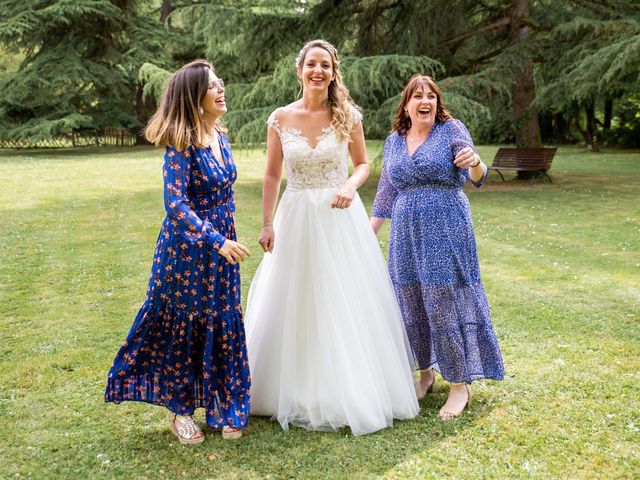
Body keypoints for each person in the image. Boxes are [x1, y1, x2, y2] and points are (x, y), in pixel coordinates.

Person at [245, 39, 419, 436]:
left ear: (333, 71)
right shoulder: (280, 118)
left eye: (325, 64)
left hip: (339, 218)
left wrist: (350, 187)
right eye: (311, 64)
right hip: (296, 215)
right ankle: (286, 386)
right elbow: (273, 175)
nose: (318, 71)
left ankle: (347, 388)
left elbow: (362, 165)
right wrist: (267, 223)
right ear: (300, 70)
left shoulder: (347, 116)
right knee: (294, 297)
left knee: (341, 297)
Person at [105, 60, 251, 443]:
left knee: (222, 318)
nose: (222, 91)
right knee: (185, 325)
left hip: (223, 248)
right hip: (187, 251)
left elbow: (226, 191)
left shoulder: (220, 135)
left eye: (221, 83)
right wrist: (215, 239)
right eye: (213, 86)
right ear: (194, 96)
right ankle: (180, 411)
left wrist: (227, 234)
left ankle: (224, 405)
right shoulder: (179, 143)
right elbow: (176, 204)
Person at [370, 74, 504, 420]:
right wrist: (367, 235)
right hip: (405, 231)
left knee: (443, 300)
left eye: (430, 95)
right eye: (417, 96)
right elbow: (386, 190)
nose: (424, 100)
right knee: (409, 301)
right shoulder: (394, 140)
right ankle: (424, 372)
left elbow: (478, 176)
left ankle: (460, 384)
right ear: (407, 105)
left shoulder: (451, 130)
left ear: (437, 103)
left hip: (446, 224)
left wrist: (474, 162)